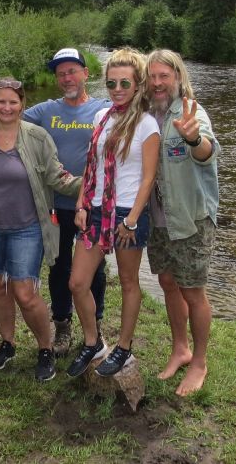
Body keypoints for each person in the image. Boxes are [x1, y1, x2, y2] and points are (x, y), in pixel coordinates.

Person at [0, 77, 81, 382]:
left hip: (27, 227)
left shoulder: (37, 137)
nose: (6, 107)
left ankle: (45, 349)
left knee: (25, 293)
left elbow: (57, 176)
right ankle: (8, 343)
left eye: (12, 102)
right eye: (0, 101)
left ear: (22, 104)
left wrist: (90, 187)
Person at [67, 48, 160, 378]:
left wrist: (132, 220)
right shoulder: (101, 118)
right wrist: (81, 204)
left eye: (125, 83)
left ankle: (123, 346)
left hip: (127, 213)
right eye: (111, 83)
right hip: (95, 210)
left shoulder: (147, 124)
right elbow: (91, 166)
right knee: (77, 282)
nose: (117, 89)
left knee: (128, 281)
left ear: (138, 85)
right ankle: (92, 341)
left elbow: (148, 178)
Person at [23, 48, 110, 358]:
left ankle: (95, 324)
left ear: (86, 73)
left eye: (72, 71)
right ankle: (62, 323)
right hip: (56, 204)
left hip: (94, 205)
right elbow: (3, 113)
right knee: (59, 267)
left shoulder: (104, 109)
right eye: (61, 74)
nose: (67, 78)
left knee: (95, 270)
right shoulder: (45, 111)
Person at [145, 49, 219, 396]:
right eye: (152, 76)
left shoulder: (192, 112)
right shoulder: (146, 113)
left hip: (190, 218)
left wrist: (192, 138)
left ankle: (200, 362)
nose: (158, 83)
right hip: (158, 219)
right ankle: (180, 349)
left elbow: (207, 151)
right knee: (167, 282)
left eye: (164, 76)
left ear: (177, 77)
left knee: (193, 291)